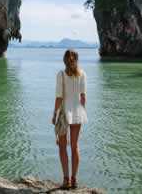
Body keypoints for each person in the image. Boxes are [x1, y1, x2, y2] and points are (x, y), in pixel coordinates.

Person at [52, 49, 88, 189]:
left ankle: (66, 180)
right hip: (77, 112)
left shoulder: (61, 75)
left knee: (62, 147)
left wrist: (54, 114)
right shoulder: (82, 74)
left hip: (64, 114)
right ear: (76, 60)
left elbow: (59, 97)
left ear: (64, 60)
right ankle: (74, 180)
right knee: (75, 146)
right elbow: (83, 97)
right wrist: (81, 110)